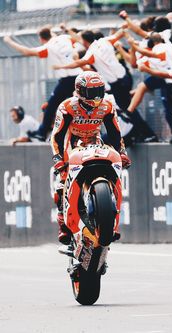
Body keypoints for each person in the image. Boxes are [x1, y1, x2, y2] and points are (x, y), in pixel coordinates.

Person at [51, 71, 131, 245]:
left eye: (99, 91)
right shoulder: (67, 107)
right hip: (72, 144)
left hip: (96, 142)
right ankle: (63, 225)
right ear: (79, 91)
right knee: (61, 184)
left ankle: (111, 224)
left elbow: (115, 133)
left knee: (113, 172)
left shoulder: (108, 106)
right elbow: (57, 136)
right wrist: (58, 158)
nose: (96, 97)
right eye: (91, 92)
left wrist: (122, 153)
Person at [4, 26, 83, 141]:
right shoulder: (65, 38)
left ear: (41, 39)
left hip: (67, 79)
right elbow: (78, 38)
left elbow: (26, 51)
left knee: (51, 106)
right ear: (51, 34)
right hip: (80, 76)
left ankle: (42, 132)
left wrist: (9, 41)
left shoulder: (48, 47)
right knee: (78, 105)